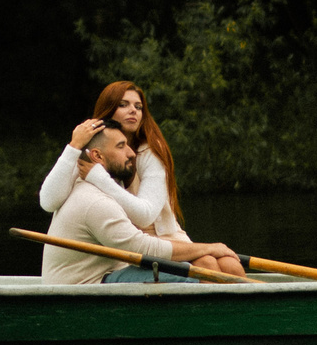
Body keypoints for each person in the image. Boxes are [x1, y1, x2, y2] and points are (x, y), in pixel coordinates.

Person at [45, 121, 245, 284]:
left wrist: (209, 252)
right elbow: (143, 249)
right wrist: (209, 247)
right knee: (201, 273)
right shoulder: (94, 201)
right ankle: (217, 328)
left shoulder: (103, 186)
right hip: (86, 285)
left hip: (109, 272)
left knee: (218, 264)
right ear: (97, 156)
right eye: (121, 146)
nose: (132, 153)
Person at [38, 80, 186, 242]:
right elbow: (48, 202)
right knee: (209, 262)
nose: (133, 111)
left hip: (164, 237)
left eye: (138, 107)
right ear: (108, 110)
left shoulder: (150, 150)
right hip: (130, 243)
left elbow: (145, 216)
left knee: (214, 261)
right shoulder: (93, 149)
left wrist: (98, 177)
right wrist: (74, 146)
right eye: (123, 105)